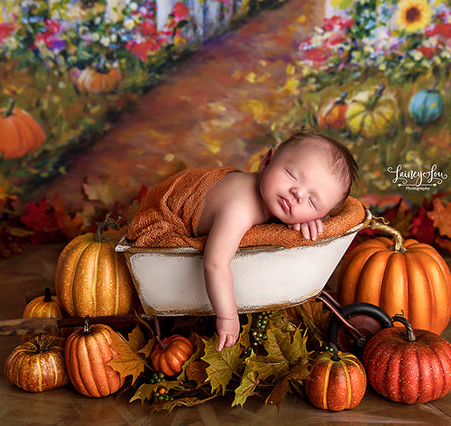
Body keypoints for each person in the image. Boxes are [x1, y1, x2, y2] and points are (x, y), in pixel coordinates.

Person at [128, 131, 358, 350]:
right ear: (267, 160)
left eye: (312, 202)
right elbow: (215, 263)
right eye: (292, 175)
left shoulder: (277, 199)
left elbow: (317, 213)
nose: (298, 193)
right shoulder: (240, 207)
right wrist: (227, 316)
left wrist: (315, 219)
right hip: (162, 215)